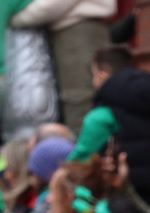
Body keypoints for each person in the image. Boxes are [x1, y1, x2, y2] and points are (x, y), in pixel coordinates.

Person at [69, 45, 150, 206]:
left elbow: (78, 162)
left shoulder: (101, 117)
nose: (94, 83)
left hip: (116, 202)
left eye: (94, 75)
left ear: (102, 75)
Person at [10, 0, 116, 134]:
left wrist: (12, 17)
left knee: (81, 104)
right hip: (66, 28)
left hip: (77, 29)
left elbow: (52, 5)